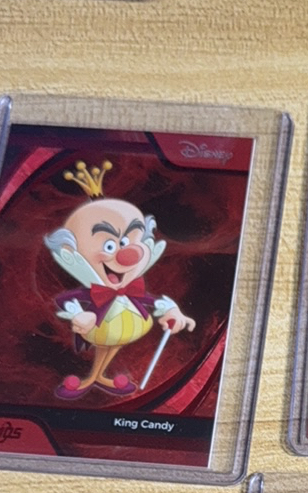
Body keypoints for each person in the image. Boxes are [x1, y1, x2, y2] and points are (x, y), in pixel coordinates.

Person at [43, 160, 195, 400]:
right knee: (105, 345)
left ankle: (98, 376)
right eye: (110, 245)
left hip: (128, 325)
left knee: (113, 346)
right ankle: (93, 377)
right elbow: (65, 300)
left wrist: (172, 312)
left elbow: (153, 302)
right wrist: (78, 315)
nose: (127, 254)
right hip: (102, 326)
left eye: (127, 242)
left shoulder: (132, 287)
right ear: (71, 252)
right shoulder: (94, 288)